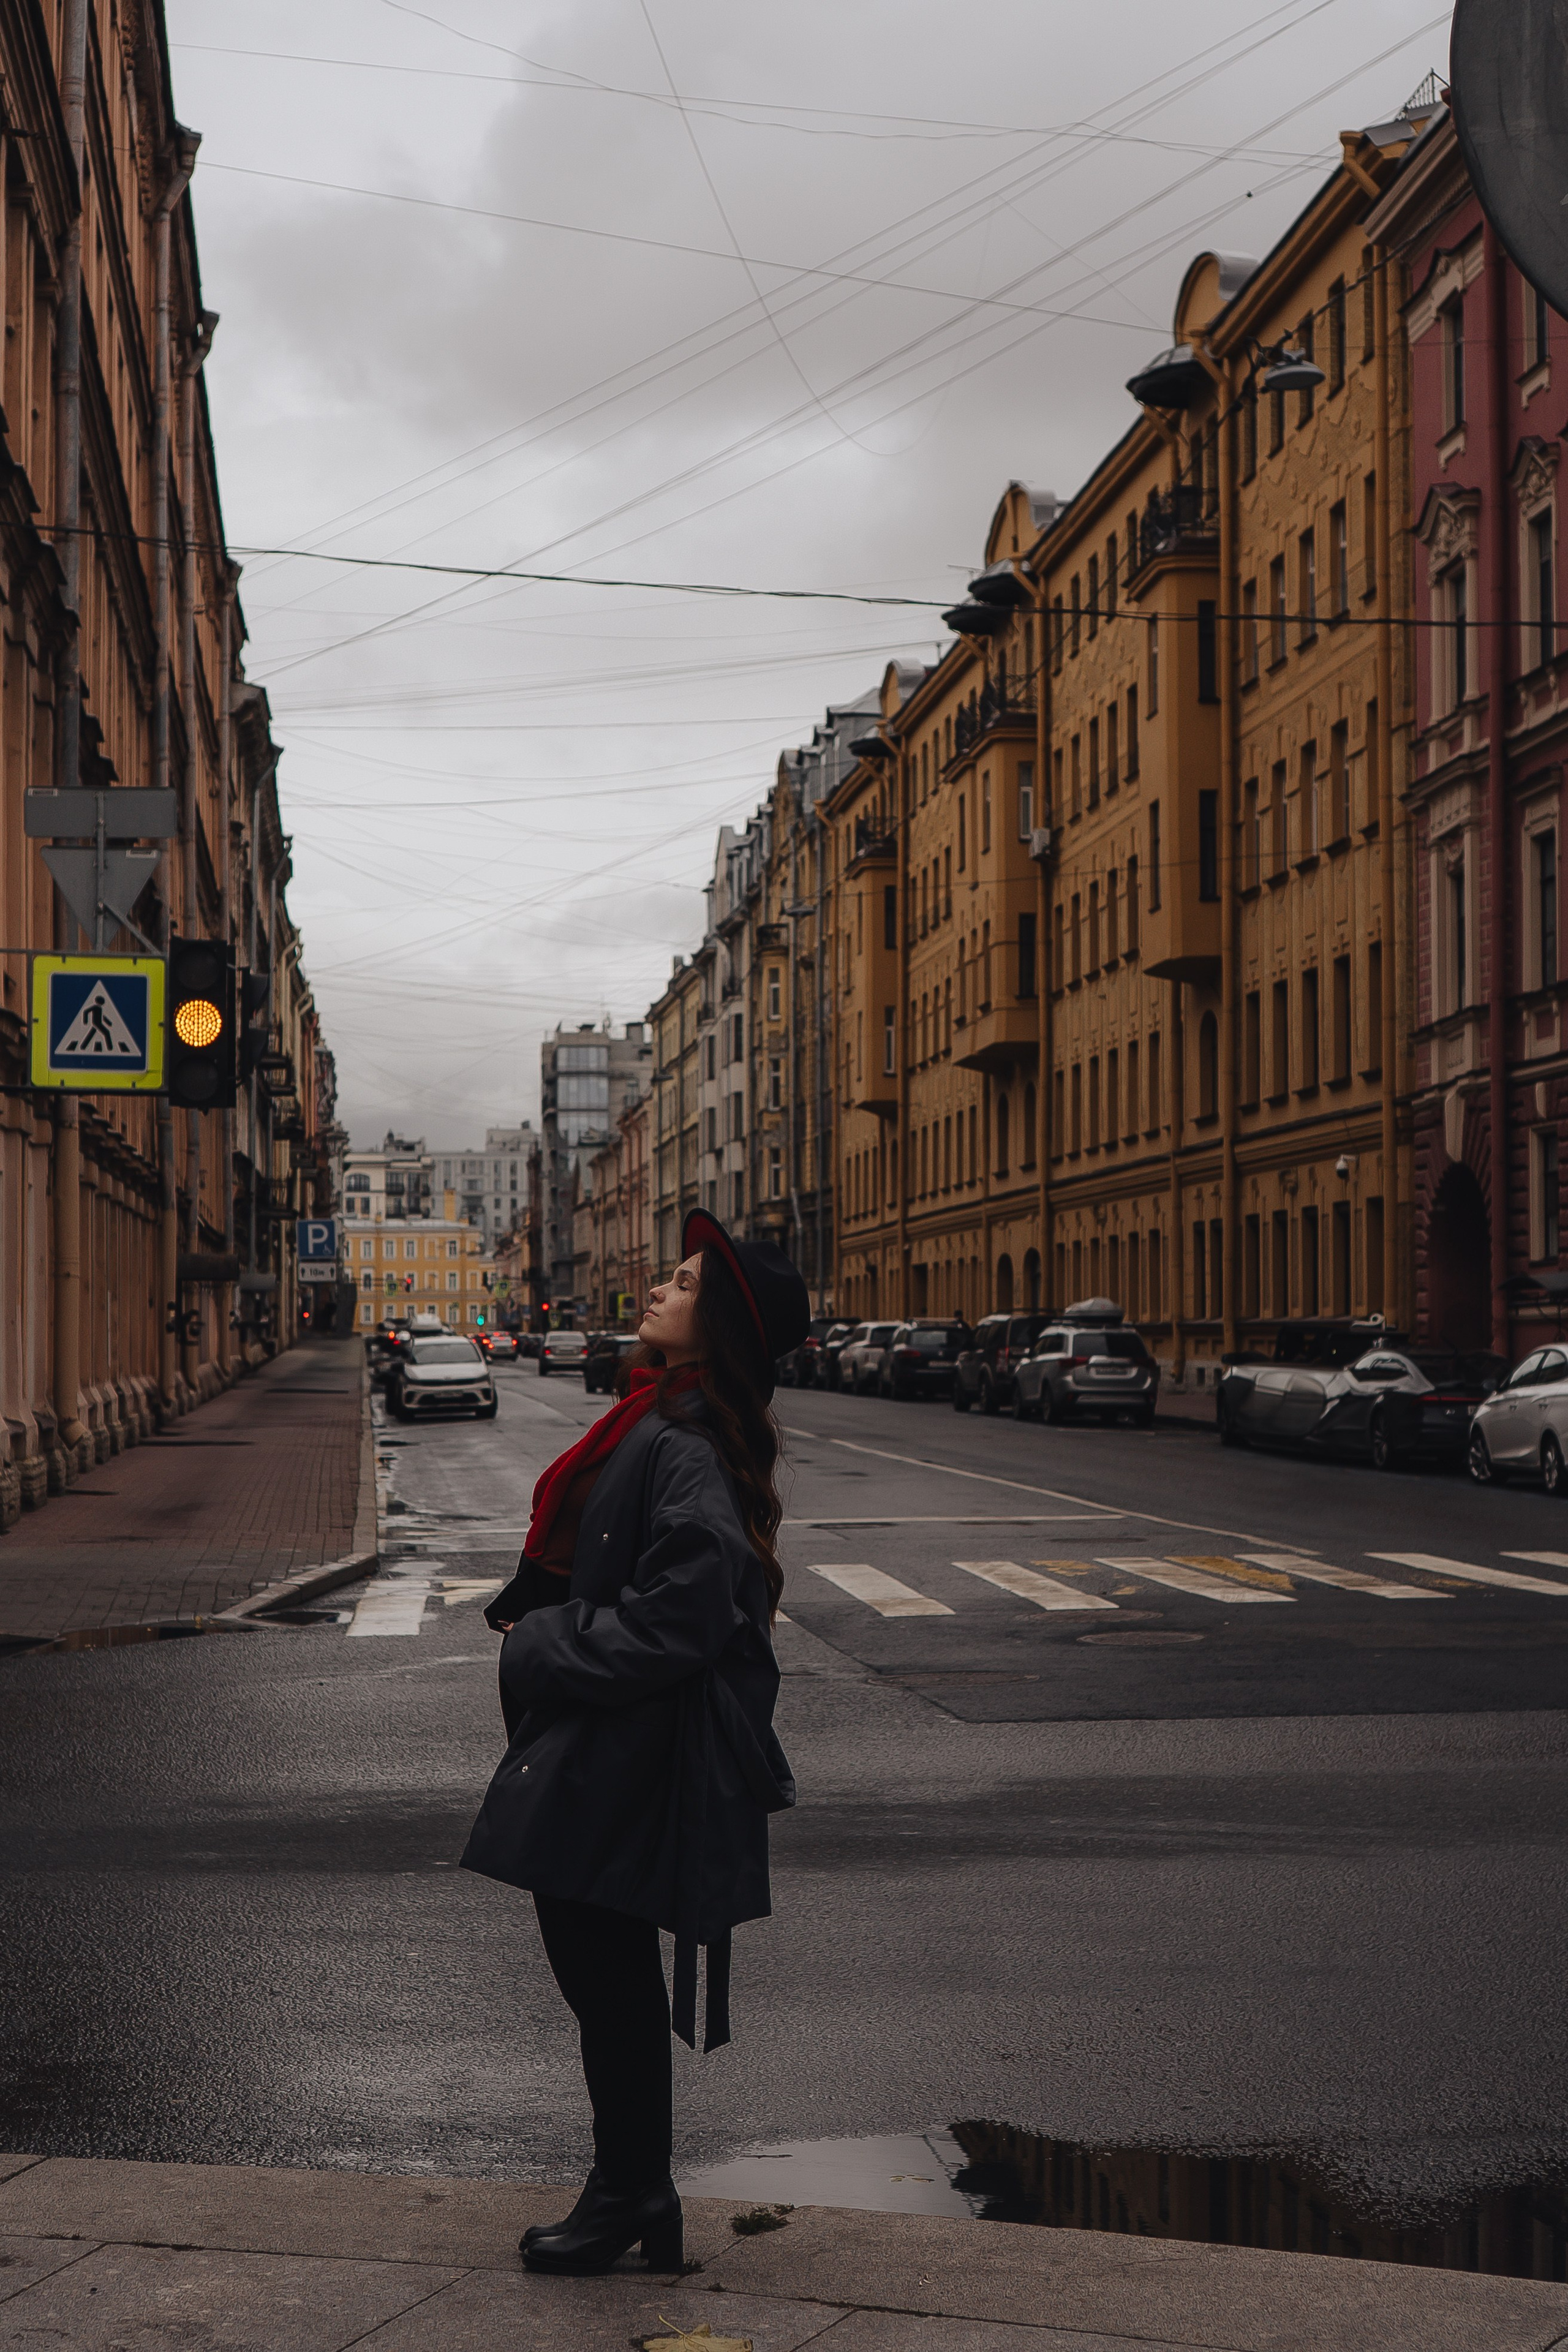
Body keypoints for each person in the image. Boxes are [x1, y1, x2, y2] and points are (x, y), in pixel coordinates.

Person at [461, 1209, 810, 2278]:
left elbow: (686, 1615)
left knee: (603, 1971)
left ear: (719, 1334)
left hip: (631, 1746)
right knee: (603, 1970)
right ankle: (636, 2191)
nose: (662, 1282)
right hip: (619, 1739)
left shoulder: (686, 1441)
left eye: (687, 1280)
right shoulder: (659, 1419)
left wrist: (544, 1643)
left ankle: (631, 2191)